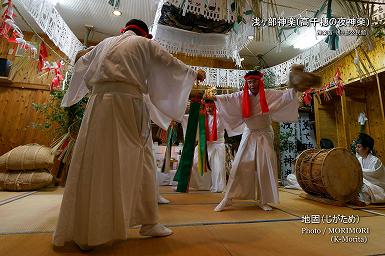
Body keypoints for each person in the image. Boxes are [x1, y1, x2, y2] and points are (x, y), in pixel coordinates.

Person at [54, 19, 206, 250]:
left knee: (95, 160)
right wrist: (195, 74)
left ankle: (86, 229)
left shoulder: (106, 42)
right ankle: (148, 222)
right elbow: (170, 63)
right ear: (146, 35)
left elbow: (80, 61)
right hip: (127, 104)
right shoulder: (144, 44)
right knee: (142, 160)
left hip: (97, 105)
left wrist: (88, 53)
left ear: (124, 30)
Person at [212, 68, 319, 212]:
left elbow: (285, 97)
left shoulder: (269, 94)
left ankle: (263, 200)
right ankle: (228, 198)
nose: (252, 84)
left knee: (264, 167)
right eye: (249, 82)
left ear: (259, 81)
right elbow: (228, 99)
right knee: (239, 165)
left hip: (265, 133)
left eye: (254, 81)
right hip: (249, 133)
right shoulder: (241, 96)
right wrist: (215, 98)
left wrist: (295, 88)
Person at [189, 100, 226, 192]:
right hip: (205, 143)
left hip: (218, 143)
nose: (209, 109)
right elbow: (189, 118)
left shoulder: (221, 115)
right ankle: (201, 185)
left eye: (211, 107)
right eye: (207, 107)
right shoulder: (202, 115)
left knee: (218, 166)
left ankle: (218, 187)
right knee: (194, 162)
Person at [354, 133, 385, 205]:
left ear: (367, 148)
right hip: (365, 183)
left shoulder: (375, 161)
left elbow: (376, 177)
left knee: (363, 187)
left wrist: (360, 172)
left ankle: (363, 200)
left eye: (359, 147)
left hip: (376, 186)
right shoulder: (358, 160)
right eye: (356, 147)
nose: (356, 149)